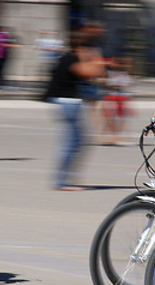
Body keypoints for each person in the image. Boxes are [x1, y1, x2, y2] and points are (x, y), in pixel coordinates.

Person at [43, 27, 108, 190]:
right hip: (67, 104)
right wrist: (96, 58)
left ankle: (64, 179)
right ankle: (61, 182)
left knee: (76, 141)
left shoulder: (69, 58)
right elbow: (95, 72)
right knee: (72, 142)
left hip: (68, 103)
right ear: (80, 47)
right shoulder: (71, 59)